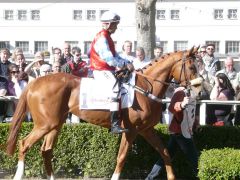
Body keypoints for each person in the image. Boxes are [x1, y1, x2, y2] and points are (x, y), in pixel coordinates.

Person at [89, 10, 133, 134]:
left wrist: (127, 62)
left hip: (106, 69)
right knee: (115, 89)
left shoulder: (107, 37)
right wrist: (124, 64)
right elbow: (109, 59)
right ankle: (114, 125)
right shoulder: (102, 37)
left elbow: (116, 56)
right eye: (115, 24)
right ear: (107, 24)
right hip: (100, 69)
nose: (116, 27)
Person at [145, 86, 199, 180]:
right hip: (180, 131)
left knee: (166, 157)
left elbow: (190, 112)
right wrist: (181, 105)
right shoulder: (180, 93)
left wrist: (195, 123)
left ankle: (150, 178)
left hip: (181, 130)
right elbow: (171, 108)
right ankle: (204, 176)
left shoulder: (191, 93)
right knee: (194, 158)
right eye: (198, 86)